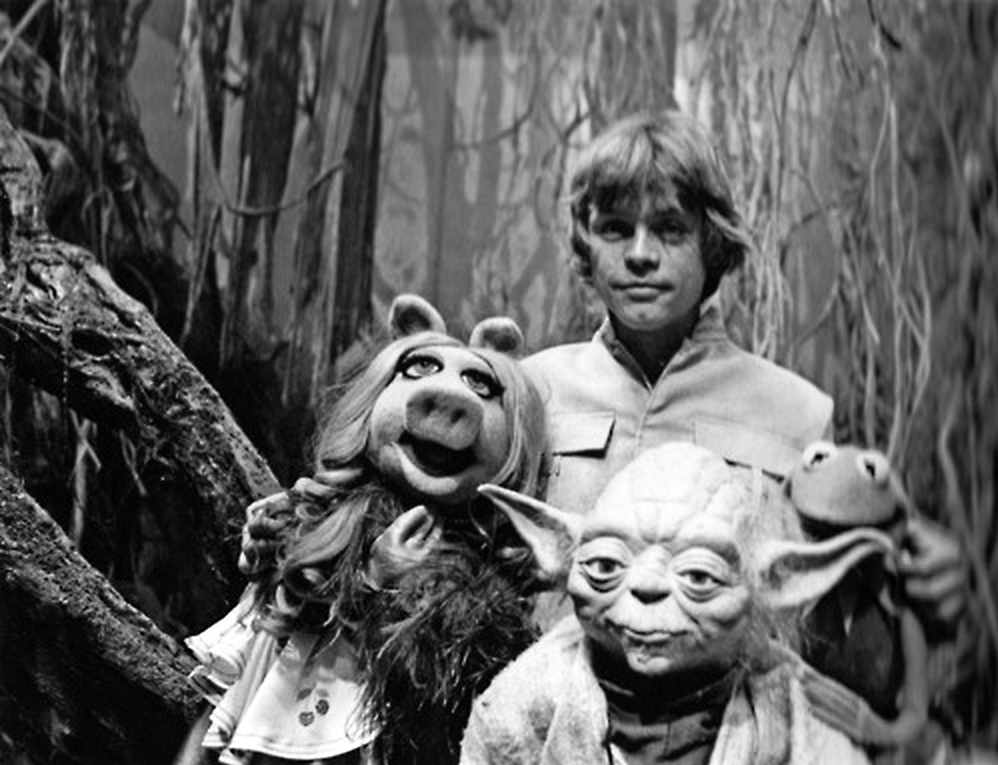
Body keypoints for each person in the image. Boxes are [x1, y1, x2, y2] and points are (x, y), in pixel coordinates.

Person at [522, 109, 963, 638]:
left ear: (711, 242)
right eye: (615, 229)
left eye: (670, 228)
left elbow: (834, 618)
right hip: (549, 684)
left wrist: (921, 583)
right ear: (586, 245)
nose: (640, 255)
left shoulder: (798, 413)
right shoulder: (532, 390)